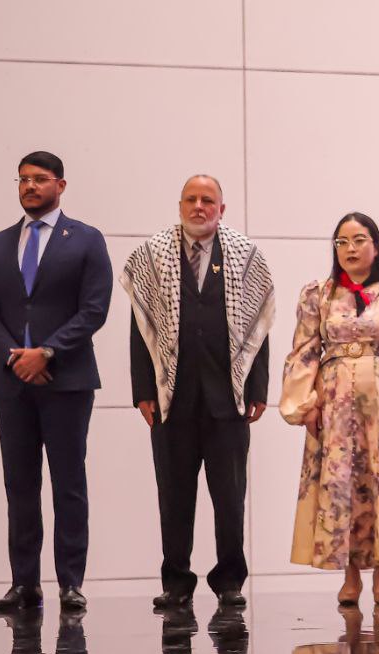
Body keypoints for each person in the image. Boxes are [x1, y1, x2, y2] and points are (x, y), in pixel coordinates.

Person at [122, 175, 274, 610]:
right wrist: (143, 391)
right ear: (180, 205)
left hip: (228, 401)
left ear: (221, 209)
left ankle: (229, 581)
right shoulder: (153, 256)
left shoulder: (245, 256)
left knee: (230, 499)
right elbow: (141, 329)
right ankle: (176, 582)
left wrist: (258, 388)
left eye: (208, 200)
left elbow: (259, 329)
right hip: (172, 401)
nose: (199, 206)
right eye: (191, 199)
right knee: (173, 497)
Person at [0, 151, 113, 612]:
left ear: (61, 185)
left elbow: (94, 309)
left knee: (68, 483)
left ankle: (71, 583)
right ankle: (24, 584)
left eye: (39, 179)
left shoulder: (86, 240)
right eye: (23, 179)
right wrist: (13, 356)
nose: (30, 186)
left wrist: (47, 352)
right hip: (11, 382)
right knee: (19, 484)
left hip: (66, 381)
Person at [280, 212, 379, 606]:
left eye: (358, 240)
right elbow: (303, 350)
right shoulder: (318, 294)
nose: (350, 249)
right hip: (334, 407)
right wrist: (305, 403)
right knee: (342, 482)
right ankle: (349, 574)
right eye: (342, 242)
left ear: (376, 245)